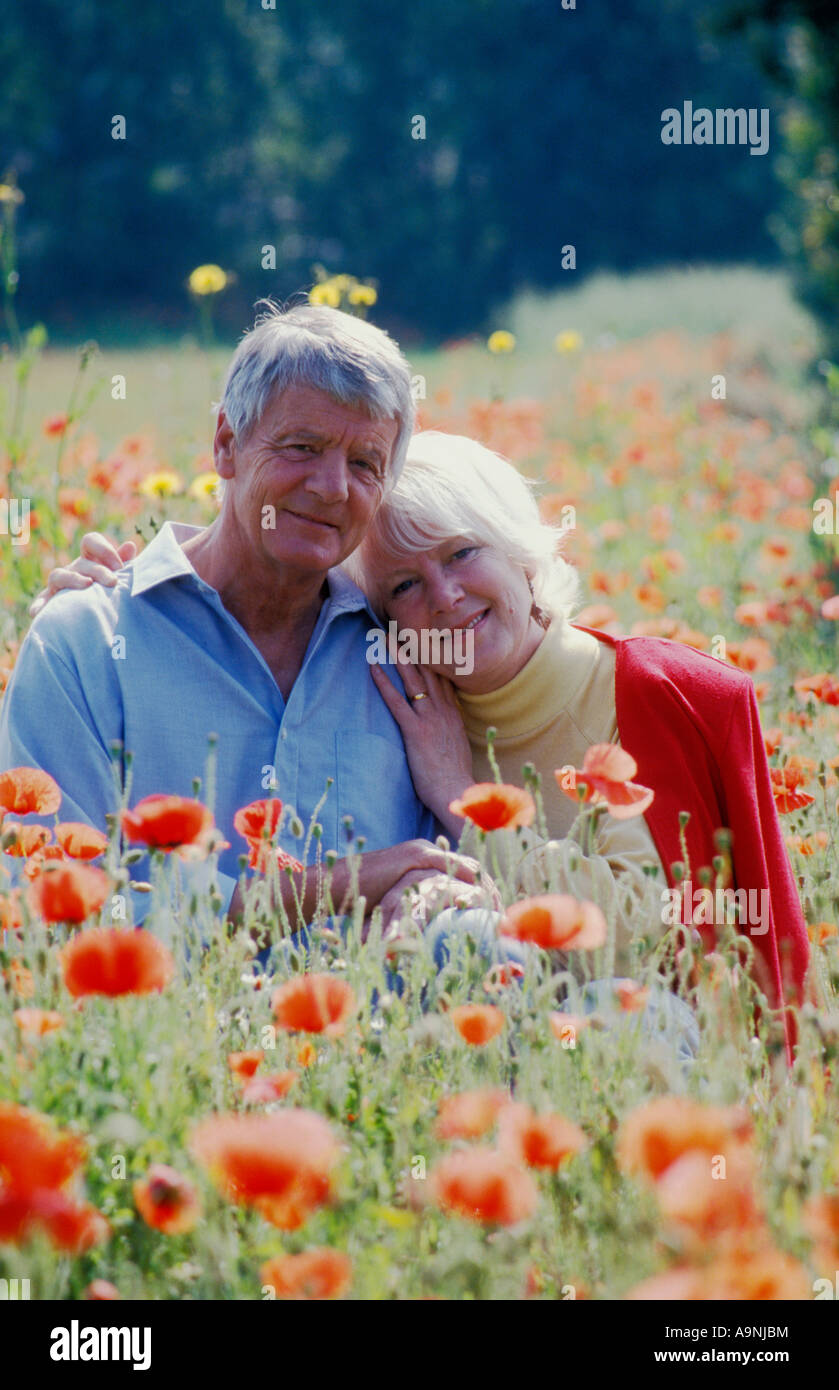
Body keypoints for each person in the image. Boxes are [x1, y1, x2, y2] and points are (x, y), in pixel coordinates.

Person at [38, 432, 810, 1058]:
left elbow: (661, 939)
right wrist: (108, 608)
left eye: (462, 554)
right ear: (377, 615)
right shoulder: (378, 695)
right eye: (403, 586)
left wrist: (460, 804)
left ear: (522, 551)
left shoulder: (659, 695)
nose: (443, 597)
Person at [0, 304, 485, 942]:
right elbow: (46, 904)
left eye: (365, 464)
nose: (333, 486)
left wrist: (452, 838)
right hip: (158, 1032)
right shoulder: (85, 643)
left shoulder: (404, 652)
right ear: (226, 445)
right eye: (302, 448)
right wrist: (327, 890)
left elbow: (449, 880)